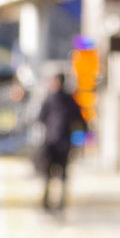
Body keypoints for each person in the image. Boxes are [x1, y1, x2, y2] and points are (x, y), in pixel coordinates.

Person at [37, 73, 88, 213]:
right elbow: (81, 121)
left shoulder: (51, 99)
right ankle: (56, 201)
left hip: (53, 142)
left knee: (50, 173)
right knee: (60, 174)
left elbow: (40, 118)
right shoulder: (70, 100)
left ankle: (51, 201)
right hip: (62, 142)